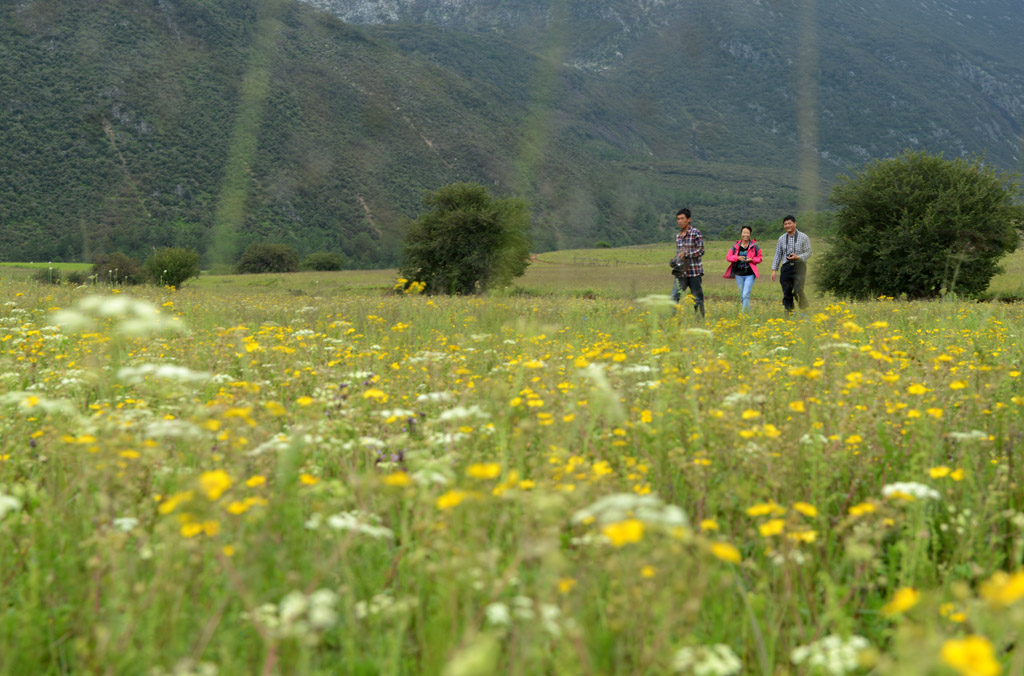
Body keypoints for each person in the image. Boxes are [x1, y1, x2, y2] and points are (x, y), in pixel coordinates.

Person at [769, 215, 812, 313]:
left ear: (795, 223)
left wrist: (798, 257)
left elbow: (809, 252)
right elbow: (778, 254)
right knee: (787, 291)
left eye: (789, 223)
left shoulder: (804, 237)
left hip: (799, 267)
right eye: (785, 224)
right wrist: (774, 270)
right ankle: (789, 313)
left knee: (798, 290)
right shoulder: (781, 239)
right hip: (786, 268)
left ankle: (804, 312)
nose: (787, 226)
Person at [670, 208, 705, 317]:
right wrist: (675, 260)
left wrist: (687, 254)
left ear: (688, 219)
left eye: (682, 218)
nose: (680, 221)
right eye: (678, 219)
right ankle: (669, 320)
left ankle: (699, 320)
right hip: (681, 273)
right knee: (674, 296)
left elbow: (701, 250)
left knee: (697, 298)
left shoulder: (695, 233)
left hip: (694, 272)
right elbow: (679, 253)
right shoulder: (678, 236)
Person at [723, 226, 762, 310]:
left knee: (745, 294)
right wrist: (737, 258)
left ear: (750, 234)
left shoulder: (755, 246)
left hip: (750, 274)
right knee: (742, 295)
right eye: (744, 232)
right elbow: (728, 257)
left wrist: (752, 260)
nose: (745, 235)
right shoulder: (735, 246)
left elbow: (760, 258)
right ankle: (747, 312)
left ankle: (744, 314)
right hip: (738, 274)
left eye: (747, 233)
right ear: (741, 234)